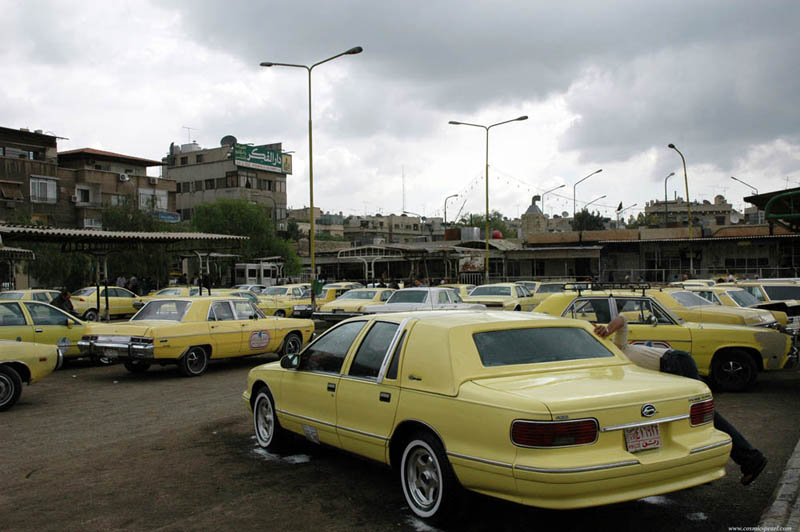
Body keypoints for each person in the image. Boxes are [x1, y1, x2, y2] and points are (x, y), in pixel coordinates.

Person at [594, 315, 767, 485]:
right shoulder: (603, 362)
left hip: (675, 363)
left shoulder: (616, 347)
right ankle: (703, 469)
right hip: (670, 371)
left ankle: (751, 458)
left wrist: (608, 329)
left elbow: (622, 319)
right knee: (690, 422)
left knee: (705, 417)